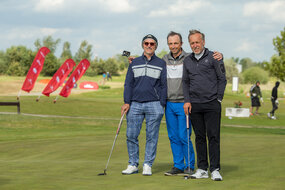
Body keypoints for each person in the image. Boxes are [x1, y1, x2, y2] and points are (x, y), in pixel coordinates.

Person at [162, 31, 223, 176]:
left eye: (176, 43)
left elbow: (220, 76)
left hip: (196, 103)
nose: (173, 46)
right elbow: (150, 60)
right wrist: (134, 59)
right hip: (179, 103)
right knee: (182, 137)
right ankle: (187, 166)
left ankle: (205, 167)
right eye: (170, 43)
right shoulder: (166, 59)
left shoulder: (193, 57)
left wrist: (219, 98)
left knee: (193, 136)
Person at [182, 30, 227, 181]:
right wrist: (187, 100)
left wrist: (218, 99)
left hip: (211, 104)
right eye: (192, 43)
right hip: (195, 104)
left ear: (203, 42)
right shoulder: (187, 61)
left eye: (197, 42)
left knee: (213, 137)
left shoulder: (214, 57)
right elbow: (185, 82)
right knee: (199, 137)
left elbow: (222, 79)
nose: (195, 45)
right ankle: (202, 169)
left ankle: (215, 169)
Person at [121, 34, 167, 176]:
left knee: (152, 136)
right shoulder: (134, 62)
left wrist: (162, 103)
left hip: (154, 104)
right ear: (142, 45)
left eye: (152, 44)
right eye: (146, 43)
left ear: (156, 46)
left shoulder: (161, 63)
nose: (149, 45)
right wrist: (126, 102)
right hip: (135, 104)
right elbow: (128, 83)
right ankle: (133, 164)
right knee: (131, 135)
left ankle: (147, 164)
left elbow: (164, 85)